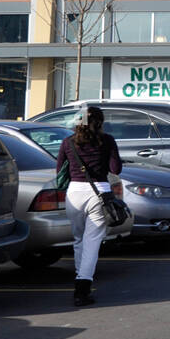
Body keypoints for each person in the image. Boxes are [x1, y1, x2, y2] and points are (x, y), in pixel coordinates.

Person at [56, 105, 123, 307]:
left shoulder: (67, 142)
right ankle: (82, 288)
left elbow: (60, 171)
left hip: (74, 193)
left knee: (79, 239)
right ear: (100, 122)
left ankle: (80, 276)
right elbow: (115, 169)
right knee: (92, 242)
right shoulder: (107, 141)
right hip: (99, 193)